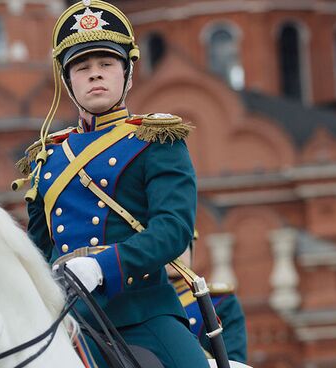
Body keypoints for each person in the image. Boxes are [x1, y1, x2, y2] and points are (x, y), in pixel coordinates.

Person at [14, 1, 208, 367]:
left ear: (127, 74)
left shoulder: (156, 140)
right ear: (68, 82)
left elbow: (172, 229)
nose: (95, 75)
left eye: (106, 64)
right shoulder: (47, 157)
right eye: (82, 67)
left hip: (141, 314)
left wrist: (102, 267)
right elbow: (37, 249)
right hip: (65, 319)